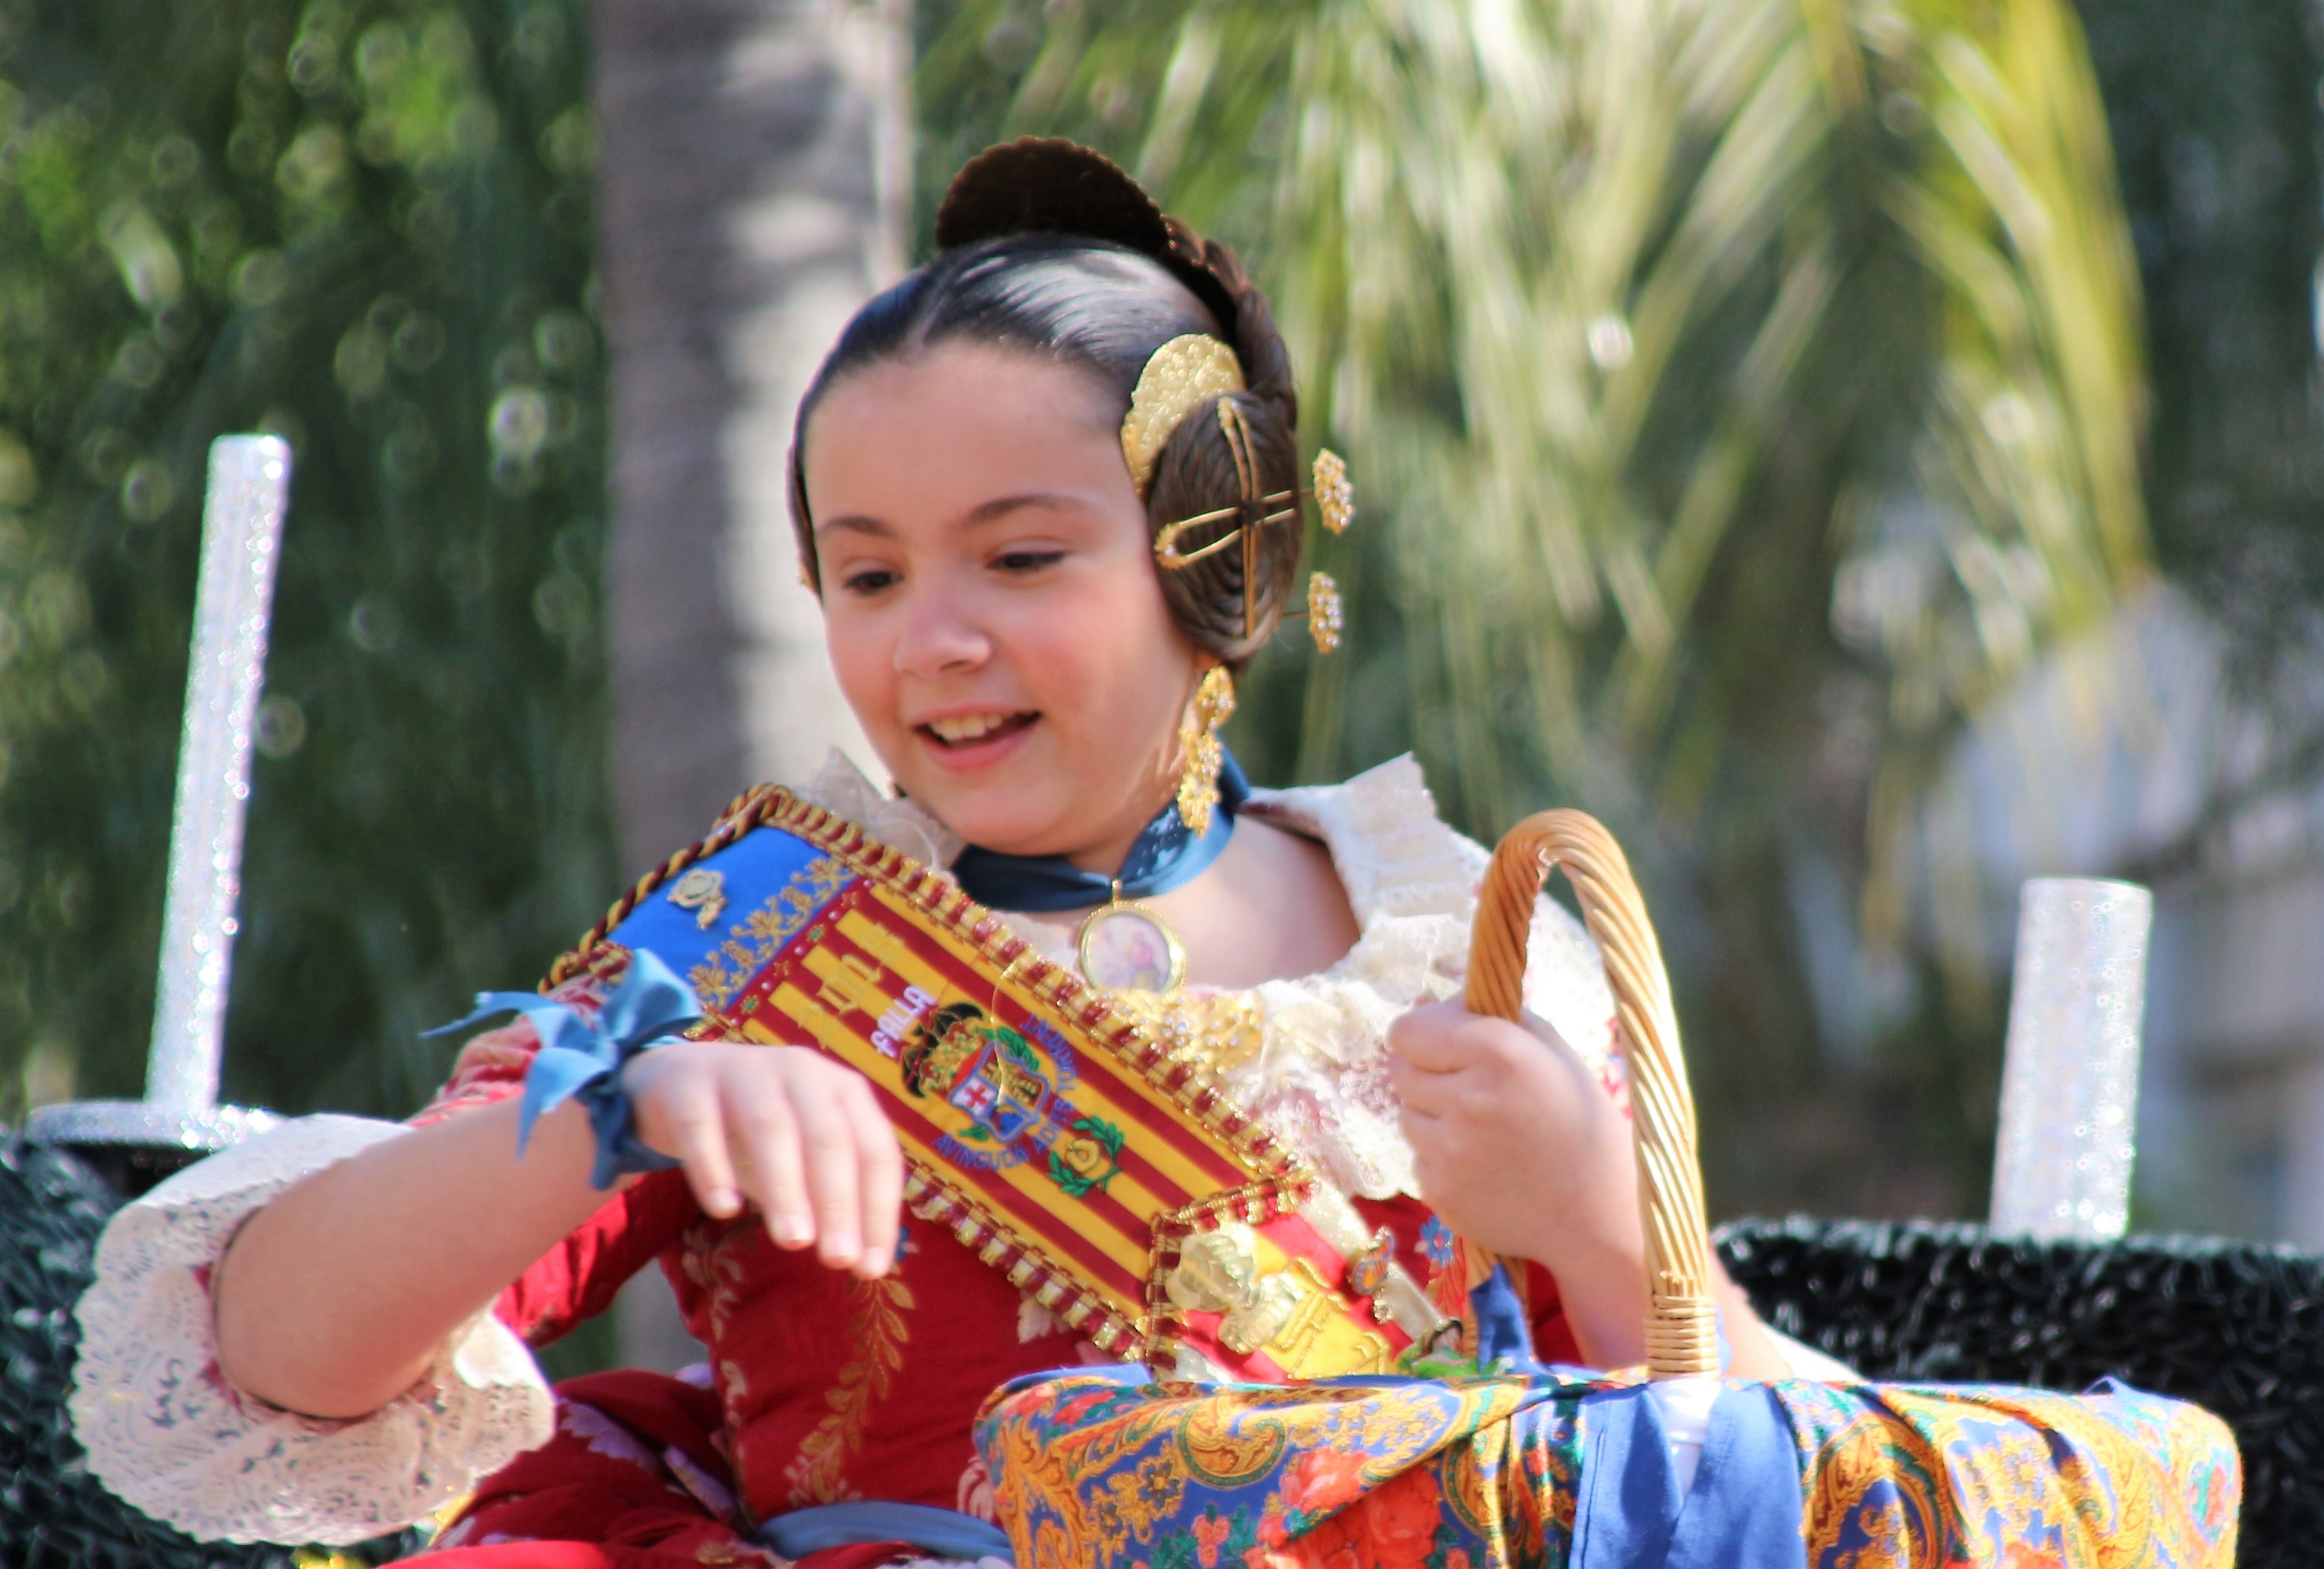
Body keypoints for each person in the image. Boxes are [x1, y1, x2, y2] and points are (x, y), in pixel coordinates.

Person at [69, 140, 1824, 1569]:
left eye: (1022, 558)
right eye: (873, 573)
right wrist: (624, 1103)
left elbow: (1764, 1482)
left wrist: (1599, 1225)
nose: (935, 643)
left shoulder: (1459, 943)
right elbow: (276, 1357)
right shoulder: (758, 943)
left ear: (1221, 569)